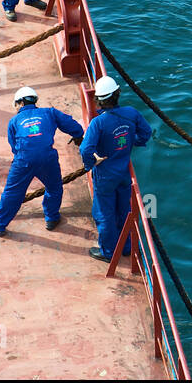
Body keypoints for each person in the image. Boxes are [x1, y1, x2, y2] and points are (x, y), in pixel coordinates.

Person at [0, 86, 84, 238]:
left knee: (13, 193)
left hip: (23, 161)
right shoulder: (49, 112)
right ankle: (52, 219)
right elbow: (74, 127)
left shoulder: (14, 121)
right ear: (35, 101)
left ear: (19, 103)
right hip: (47, 158)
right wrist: (78, 135)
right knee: (54, 188)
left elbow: (14, 147)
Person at [80, 76, 152, 262]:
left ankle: (108, 252)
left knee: (104, 213)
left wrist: (90, 164)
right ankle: (127, 247)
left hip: (105, 175)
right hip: (123, 174)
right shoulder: (131, 113)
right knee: (123, 210)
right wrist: (131, 143)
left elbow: (85, 149)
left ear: (99, 100)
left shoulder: (98, 123)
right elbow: (146, 132)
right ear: (117, 94)